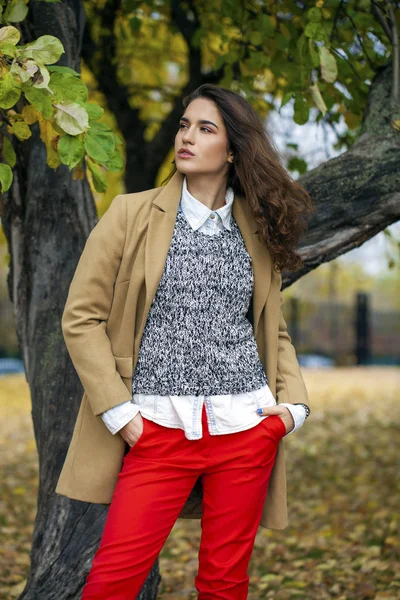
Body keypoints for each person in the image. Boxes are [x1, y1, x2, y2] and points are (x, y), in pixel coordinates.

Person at [57, 83, 313, 600]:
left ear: (233, 150)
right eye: (183, 125)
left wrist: (292, 410)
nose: (187, 137)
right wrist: (119, 414)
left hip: (246, 430)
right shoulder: (130, 215)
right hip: (155, 432)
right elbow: (80, 318)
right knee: (111, 583)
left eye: (205, 128)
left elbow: (272, 327)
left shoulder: (257, 229)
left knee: (224, 585)